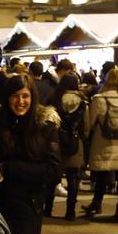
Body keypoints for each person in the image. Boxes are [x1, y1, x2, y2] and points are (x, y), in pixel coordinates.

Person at [0, 76, 61, 234]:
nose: (20, 102)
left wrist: (10, 168)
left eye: (25, 96)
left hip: (28, 209)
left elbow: (53, 170)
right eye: (15, 96)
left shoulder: (44, 125)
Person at [83, 68, 118, 222]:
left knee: (102, 175)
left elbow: (91, 122)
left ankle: (96, 203)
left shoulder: (98, 98)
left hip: (103, 141)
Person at [49, 72, 87, 221]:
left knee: (53, 178)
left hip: (56, 142)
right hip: (75, 143)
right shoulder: (82, 102)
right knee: (73, 179)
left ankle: (48, 208)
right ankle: (70, 211)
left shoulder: (54, 98)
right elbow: (86, 125)